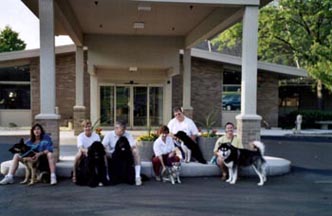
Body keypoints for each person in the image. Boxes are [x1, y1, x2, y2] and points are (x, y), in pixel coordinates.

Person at [102, 120, 142, 186]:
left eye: (124, 130)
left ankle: (137, 177)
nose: (123, 132)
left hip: (125, 155)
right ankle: (107, 175)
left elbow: (133, 146)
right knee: (103, 153)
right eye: (121, 130)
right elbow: (102, 146)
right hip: (112, 155)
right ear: (116, 128)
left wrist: (131, 149)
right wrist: (106, 150)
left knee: (136, 151)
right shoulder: (109, 135)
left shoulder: (127, 134)